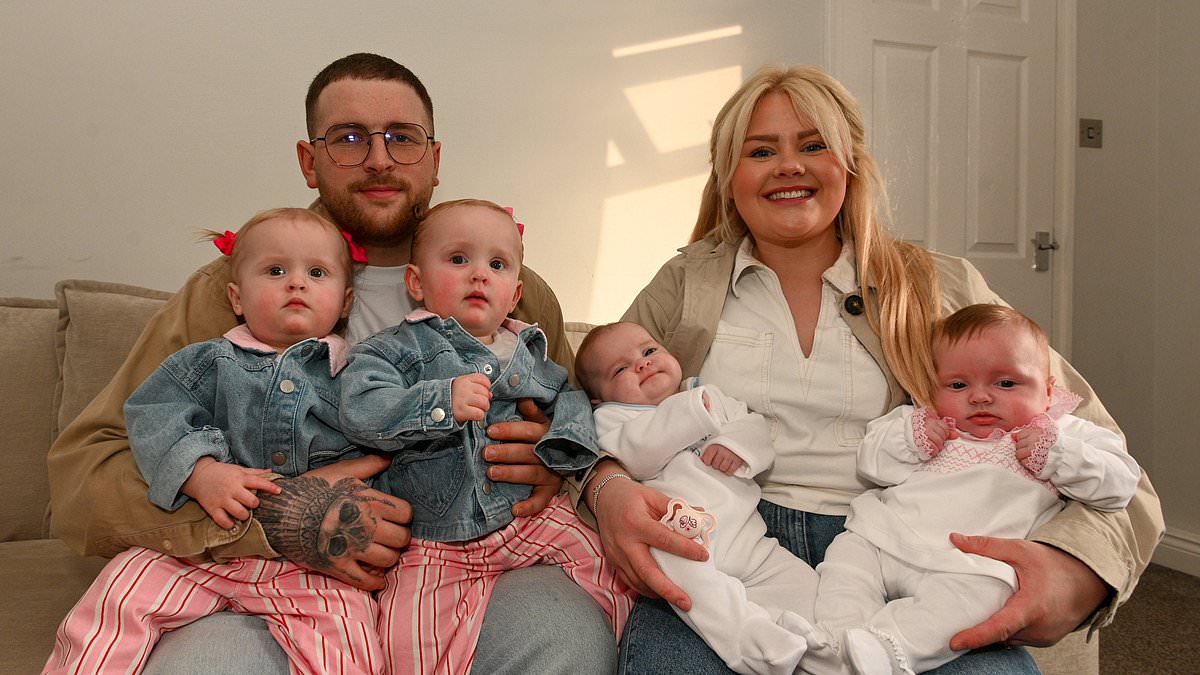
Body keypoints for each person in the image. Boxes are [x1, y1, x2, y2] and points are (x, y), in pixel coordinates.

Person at [45, 53, 616, 674]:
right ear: (308, 161)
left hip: (476, 557)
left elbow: (592, 416)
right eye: (348, 138)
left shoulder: (515, 293)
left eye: (403, 138)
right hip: (278, 584)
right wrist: (275, 519)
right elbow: (86, 474)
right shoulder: (236, 287)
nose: (379, 159)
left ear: (434, 159)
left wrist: (561, 462)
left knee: (566, 638)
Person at [584, 64, 1163, 674]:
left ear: (851, 163)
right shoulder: (683, 285)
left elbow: (1103, 454)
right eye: (761, 151)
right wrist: (607, 488)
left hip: (905, 547)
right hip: (725, 544)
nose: (789, 166)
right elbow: (586, 410)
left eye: (814, 145)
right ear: (729, 175)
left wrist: (1073, 569)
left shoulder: (938, 284)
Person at [45, 208, 391, 674]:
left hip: (312, 566)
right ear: (237, 297)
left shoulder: (359, 376)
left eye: (316, 273)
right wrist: (199, 471)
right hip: (200, 551)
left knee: (348, 636)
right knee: (120, 594)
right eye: (275, 271)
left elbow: (389, 441)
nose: (296, 283)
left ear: (345, 301)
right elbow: (153, 414)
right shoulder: (206, 361)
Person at [339, 199, 634, 673]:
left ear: (514, 294)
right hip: (433, 539)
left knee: (616, 569)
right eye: (459, 260)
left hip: (526, 518)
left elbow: (570, 400)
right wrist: (438, 401)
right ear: (416, 282)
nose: (479, 274)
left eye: (496, 265)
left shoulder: (528, 350)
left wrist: (561, 448)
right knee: (401, 643)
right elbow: (360, 409)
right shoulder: (393, 350)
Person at [805, 303, 1141, 674]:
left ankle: (885, 648)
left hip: (972, 563)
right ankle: (835, 640)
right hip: (885, 539)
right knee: (845, 563)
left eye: (1006, 383)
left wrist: (1058, 456)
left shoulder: (1061, 432)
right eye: (958, 385)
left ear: (1048, 391)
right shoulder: (920, 420)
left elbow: (1121, 484)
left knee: (987, 594)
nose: (980, 397)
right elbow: (872, 464)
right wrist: (911, 440)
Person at [575, 320, 820, 675]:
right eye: (621, 369)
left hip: (748, 537)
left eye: (649, 351)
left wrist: (734, 445)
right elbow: (636, 454)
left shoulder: (709, 394)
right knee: (700, 594)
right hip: (681, 538)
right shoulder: (612, 418)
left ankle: (823, 644)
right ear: (599, 397)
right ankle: (747, 642)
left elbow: (754, 429)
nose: (642, 364)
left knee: (804, 584)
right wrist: (693, 411)